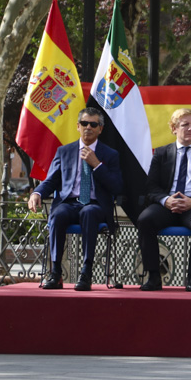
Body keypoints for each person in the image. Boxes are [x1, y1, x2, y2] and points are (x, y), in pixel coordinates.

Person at [27, 107, 123, 291]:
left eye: (93, 124)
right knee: (57, 215)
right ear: (78, 126)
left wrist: (97, 165)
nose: (89, 127)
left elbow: (117, 187)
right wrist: (37, 193)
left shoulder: (110, 155)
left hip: (95, 205)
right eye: (85, 123)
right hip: (69, 203)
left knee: (89, 212)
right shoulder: (64, 152)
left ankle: (86, 272)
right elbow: (51, 180)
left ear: (100, 129)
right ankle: (55, 272)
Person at [136, 108, 191, 292]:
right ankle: (153, 276)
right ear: (174, 128)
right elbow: (151, 186)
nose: (190, 128)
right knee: (145, 220)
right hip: (167, 205)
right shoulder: (162, 153)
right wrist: (166, 200)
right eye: (185, 125)